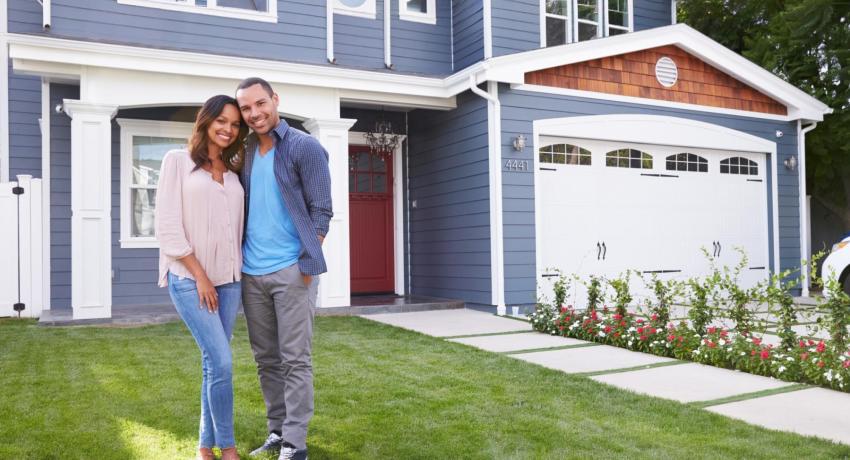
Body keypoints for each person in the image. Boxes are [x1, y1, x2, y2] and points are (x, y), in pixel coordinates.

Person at [235, 77, 331, 460]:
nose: (254, 113)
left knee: (295, 359)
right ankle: (276, 431)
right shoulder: (243, 152)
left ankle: (295, 442)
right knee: (266, 360)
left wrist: (304, 265)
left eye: (260, 103)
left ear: (275, 100)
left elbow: (322, 211)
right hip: (251, 273)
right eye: (246, 108)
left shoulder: (305, 147)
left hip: (291, 271)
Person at [155, 95, 247, 460]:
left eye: (235, 124)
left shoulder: (235, 170)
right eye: (222, 121)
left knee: (214, 361)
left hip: (231, 280)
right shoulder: (176, 161)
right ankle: (227, 447)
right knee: (222, 362)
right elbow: (167, 228)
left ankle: (204, 448)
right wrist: (201, 276)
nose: (228, 129)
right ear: (206, 121)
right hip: (191, 280)